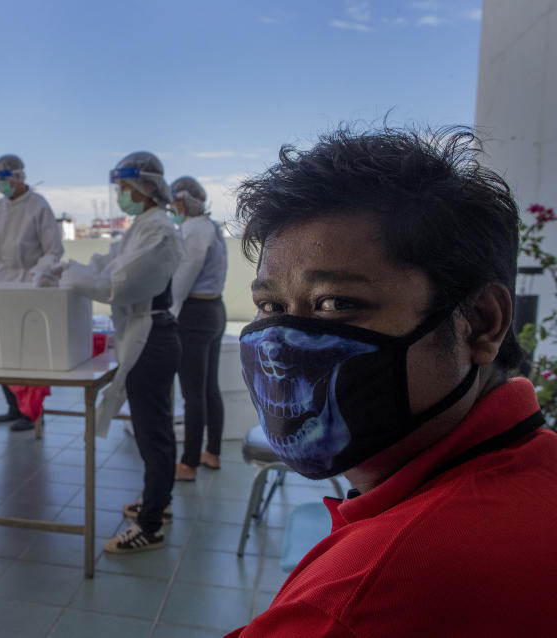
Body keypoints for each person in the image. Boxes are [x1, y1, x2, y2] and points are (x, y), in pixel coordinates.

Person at [228, 126, 557, 637]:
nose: (279, 347)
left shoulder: (360, 597)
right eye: (269, 306)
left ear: (482, 322)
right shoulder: (538, 461)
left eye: (337, 303)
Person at [48, 151, 183, 553]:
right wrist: (72, 268)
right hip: (146, 332)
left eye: (125, 188)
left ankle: (150, 525)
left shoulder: (159, 229)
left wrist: (72, 278)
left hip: (152, 336)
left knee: (153, 433)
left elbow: (117, 286)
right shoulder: (143, 224)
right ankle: (158, 499)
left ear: (144, 189)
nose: (121, 195)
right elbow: (110, 265)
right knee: (151, 430)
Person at [0, 154, 64, 432]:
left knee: (27, 352)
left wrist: (38, 276)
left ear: (19, 177)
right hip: (1, 283)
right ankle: (14, 407)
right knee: (1, 348)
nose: (1, 185)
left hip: (29, 284)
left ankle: (32, 414)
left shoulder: (38, 206)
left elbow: (53, 249)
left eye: (4, 178)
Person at [168, 176, 228, 481]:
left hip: (194, 315)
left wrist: (169, 314)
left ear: (182, 202)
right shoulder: (212, 227)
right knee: (209, 389)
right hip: (215, 310)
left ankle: (188, 463)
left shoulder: (193, 230)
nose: (171, 208)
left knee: (193, 394)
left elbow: (181, 279)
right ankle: (212, 453)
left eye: (173, 203)